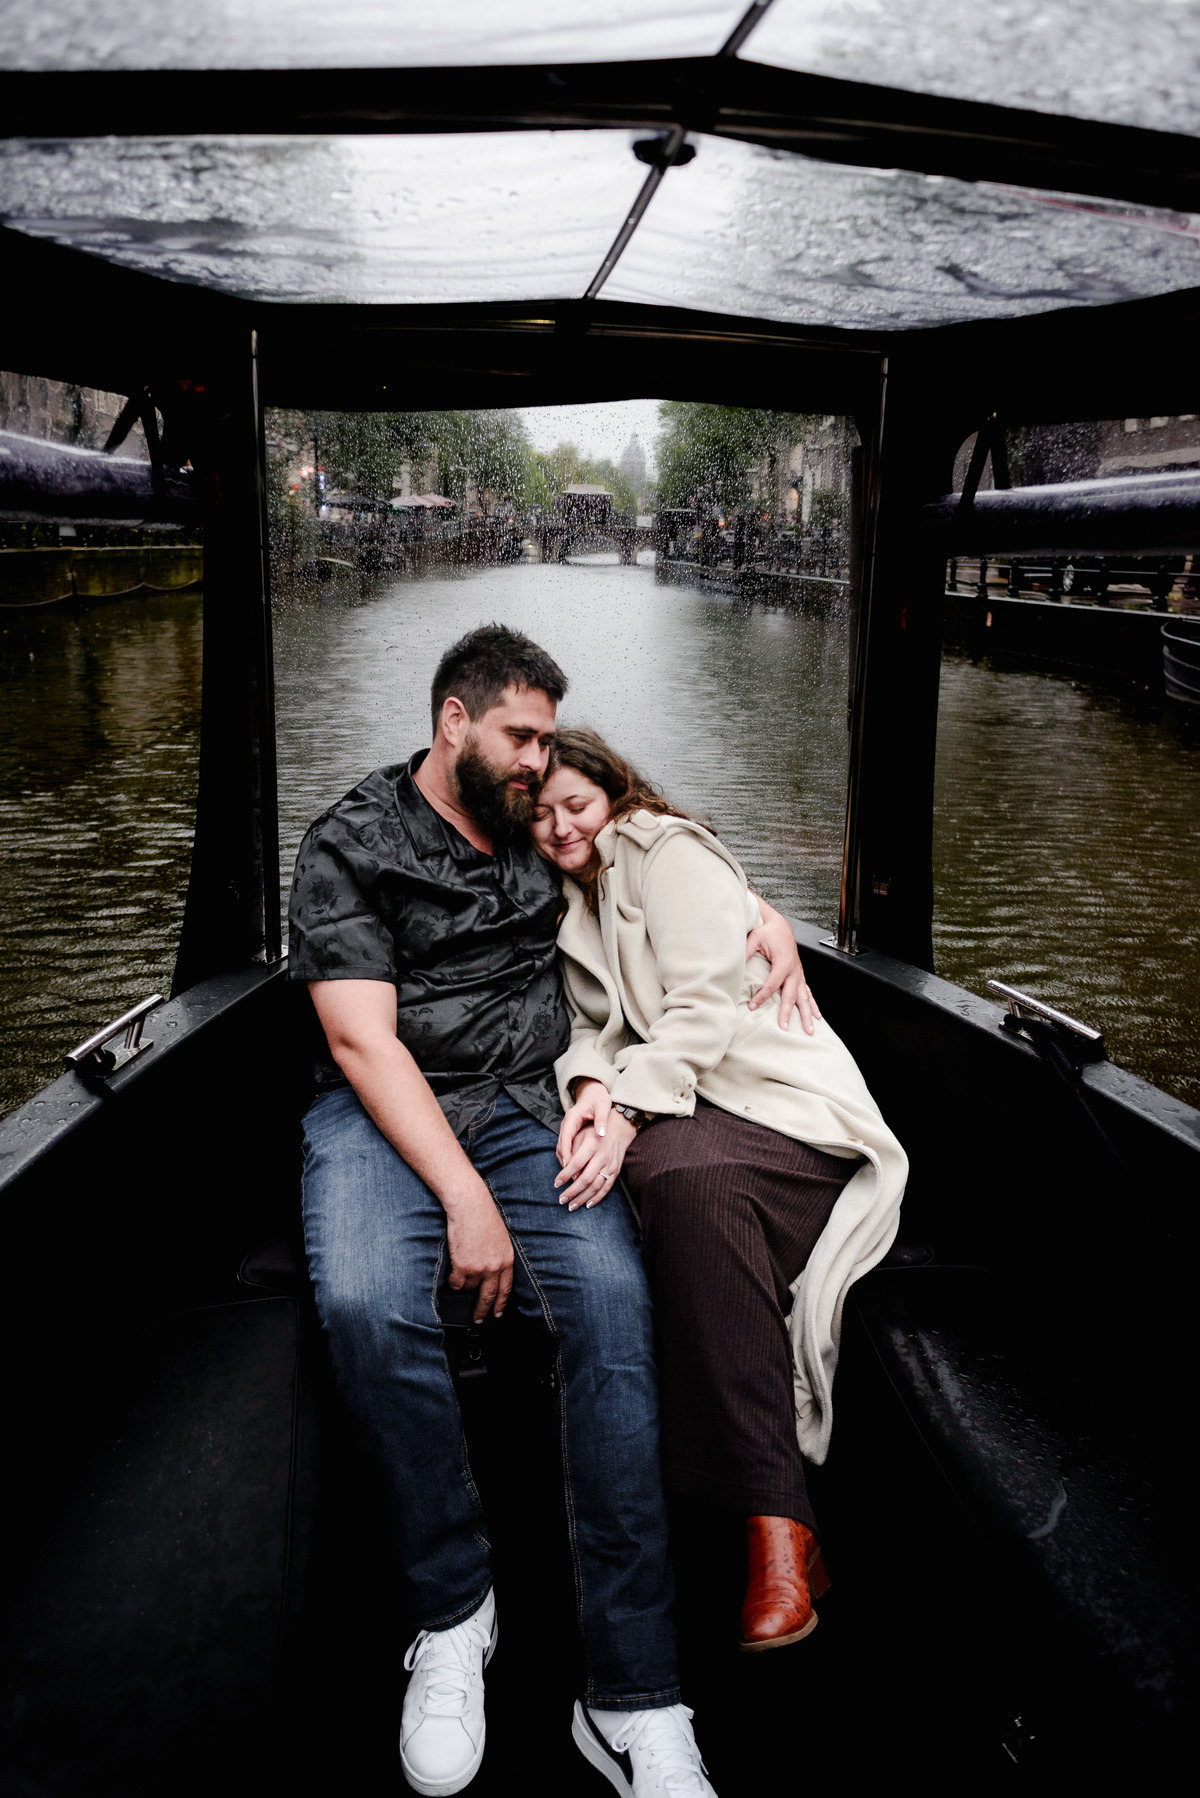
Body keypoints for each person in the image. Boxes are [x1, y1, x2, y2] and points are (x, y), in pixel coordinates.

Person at [288, 625, 808, 1798]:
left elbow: (653, 850)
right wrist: (466, 1197)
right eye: (520, 734)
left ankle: (633, 1694)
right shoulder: (353, 839)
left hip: (532, 1104)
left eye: (544, 739)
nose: (538, 759)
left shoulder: (534, 825)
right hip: (384, 1112)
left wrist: (762, 919)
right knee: (370, 1302)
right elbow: (359, 1038)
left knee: (617, 1307)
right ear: (454, 721)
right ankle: (453, 1609)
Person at [532, 729, 909, 1654]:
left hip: (784, 1107)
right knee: (675, 1181)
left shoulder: (666, 853)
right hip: (698, 1106)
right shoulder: (573, 898)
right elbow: (594, 1027)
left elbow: (700, 1010)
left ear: (613, 794)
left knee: (677, 1180)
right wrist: (589, 1091)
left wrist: (621, 1118)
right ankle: (783, 1531)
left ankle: (774, 1528)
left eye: (575, 805)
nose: (558, 827)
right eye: (538, 815)